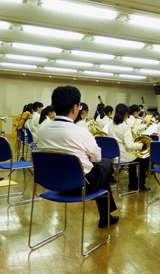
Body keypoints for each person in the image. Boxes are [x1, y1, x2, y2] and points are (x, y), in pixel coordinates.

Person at [38, 85, 119, 228]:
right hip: (80, 185)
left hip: (52, 182)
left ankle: (106, 216)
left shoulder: (42, 130)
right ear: (75, 108)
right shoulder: (80, 132)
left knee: (99, 172)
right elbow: (97, 157)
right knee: (106, 163)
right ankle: (105, 216)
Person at [110, 104, 150, 191]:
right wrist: (141, 145)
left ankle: (132, 182)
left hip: (113, 156)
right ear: (126, 114)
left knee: (133, 156)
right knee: (142, 158)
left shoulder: (111, 125)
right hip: (123, 156)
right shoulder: (125, 127)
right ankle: (140, 184)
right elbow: (129, 145)